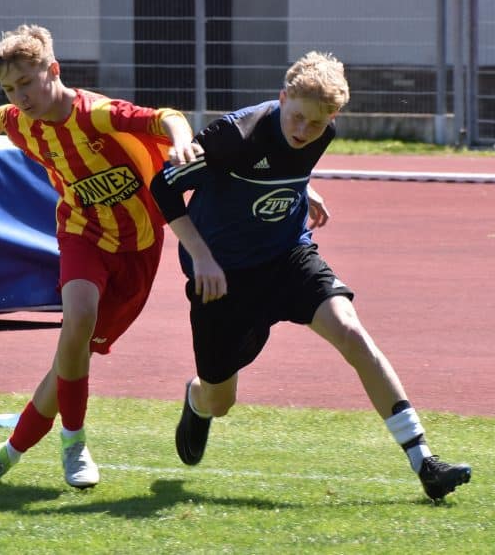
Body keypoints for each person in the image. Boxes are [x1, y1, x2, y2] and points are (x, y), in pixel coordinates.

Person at [149, 51, 472, 501]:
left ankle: (425, 461)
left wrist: (303, 187)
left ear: (332, 118)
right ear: (282, 98)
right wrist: (201, 257)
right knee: (220, 400)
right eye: (297, 117)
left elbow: (281, 164)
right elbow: (163, 187)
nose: (303, 131)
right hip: (224, 274)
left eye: (316, 124)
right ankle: (197, 400)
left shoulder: (323, 133)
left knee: (351, 332)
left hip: (288, 256)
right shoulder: (235, 135)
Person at [0, 24, 199, 489]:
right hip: (81, 232)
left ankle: (4, 456)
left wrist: (181, 140)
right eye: (10, 88)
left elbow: (166, 117)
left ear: (54, 70)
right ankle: (75, 442)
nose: (20, 97)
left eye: (26, 83)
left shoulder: (97, 115)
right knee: (78, 319)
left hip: (137, 246)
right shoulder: (20, 120)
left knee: (72, 356)